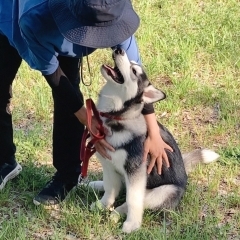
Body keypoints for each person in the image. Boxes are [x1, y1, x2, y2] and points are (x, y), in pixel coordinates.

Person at [0, 0, 172, 205]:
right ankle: (4, 161)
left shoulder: (114, 8)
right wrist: (90, 122)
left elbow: (137, 78)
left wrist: (153, 131)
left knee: (69, 91)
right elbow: (57, 79)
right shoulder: (37, 19)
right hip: (15, 12)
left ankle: (68, 174)